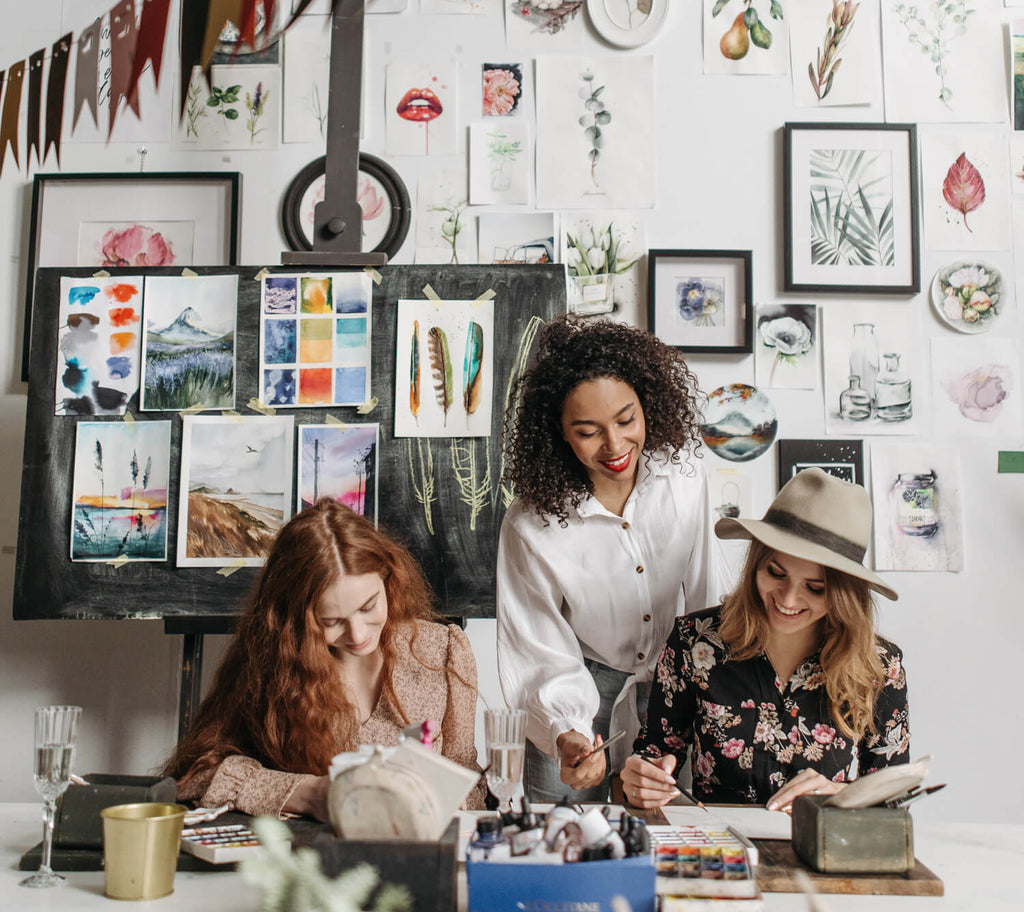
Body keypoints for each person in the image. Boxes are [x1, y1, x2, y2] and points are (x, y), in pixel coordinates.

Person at [497, 313, 726, 803]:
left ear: (648, 403)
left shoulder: (686, 477)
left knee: (670, 838)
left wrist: (710, 693)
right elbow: (538, 644)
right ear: (558, 431)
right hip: (577, 682)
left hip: (677, 680)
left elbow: (709, 594)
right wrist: (568, 729)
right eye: (588, 431)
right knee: (561, 841)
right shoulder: (531, 524)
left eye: (626, 420)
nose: (615, 445)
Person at [163, 499, 486, 820]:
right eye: (331, 622)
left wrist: (458, 799)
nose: (358, 635)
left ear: (388, 577)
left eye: (368, 606)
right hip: (310, 860)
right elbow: (195, 777)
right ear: (295, 621)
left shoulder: (442, 652)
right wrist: (311, 794)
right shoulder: (276, 661)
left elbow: (467, 777)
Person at [621, 468, 910, 812]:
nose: (788, 600)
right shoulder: (694, 641)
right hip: (722, 850)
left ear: (845, 594)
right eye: (776, 573)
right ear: (757, 563)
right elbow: (653, 756)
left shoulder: (878, 665)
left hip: (823, 852)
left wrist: (837, 795)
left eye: (815, 588)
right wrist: (643, 780)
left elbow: (893, 800)